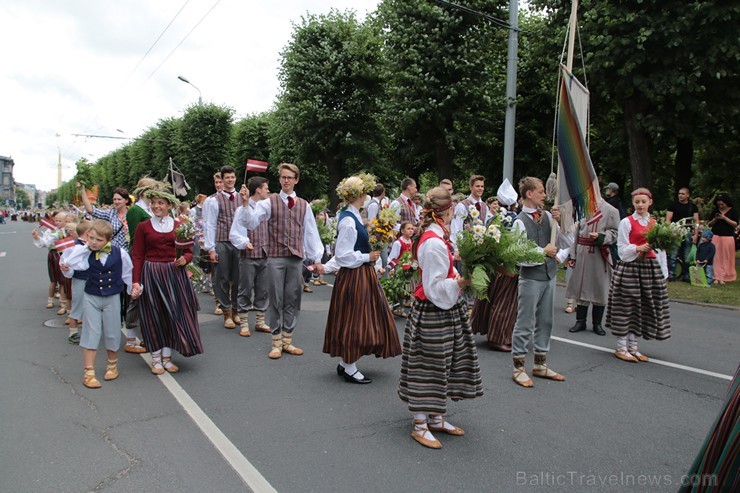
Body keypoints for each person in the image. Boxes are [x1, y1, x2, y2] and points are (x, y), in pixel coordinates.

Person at [398, 186, 483, 449]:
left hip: (444, 310)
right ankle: (420, 424)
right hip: (434, 310)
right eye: (452, 211)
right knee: (428, 366)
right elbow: (434, 288)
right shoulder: (433, 242)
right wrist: (461, 282)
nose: (454, 216)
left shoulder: (438, 237)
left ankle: (434, 417)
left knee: (444, 363)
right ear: (444, 212)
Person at [232, 163, 325, 359]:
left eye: (290, 177)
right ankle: (276, 342)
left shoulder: (303, 205)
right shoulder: (269, 202)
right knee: (275, 299)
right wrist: (246, 203)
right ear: (279, 179)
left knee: (293, 298)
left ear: (296, 180)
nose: (286, 180)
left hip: (296, 258)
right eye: (283, 177)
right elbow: (250, 222)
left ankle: (287, 340)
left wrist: (316, 257)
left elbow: (310, 232)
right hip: (275, 257)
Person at [323, 175, 401, 384]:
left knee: (360, 318)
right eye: (365, 192)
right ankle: (349, 366)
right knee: (355, 320)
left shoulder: (353, 215)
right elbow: (343, 255)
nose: (366, 195)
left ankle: (345, 363)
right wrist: (368, 257)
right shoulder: (348, 220)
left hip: (360, 274)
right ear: (359, 195)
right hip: (355, 276)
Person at [130, 184, 203, 374]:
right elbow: (137, 255)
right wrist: (136, 281)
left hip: (173, 274)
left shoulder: (179, 226)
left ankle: (167, 357)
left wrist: (184, 259)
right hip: (152, 272)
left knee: (173, 314)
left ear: (169, 205)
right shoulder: (143, 227)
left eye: (160, 203)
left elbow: (188, 251)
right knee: (153, 315)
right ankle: (155, 358)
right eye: (153, 203)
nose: (155, 206)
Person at [510, 177, 569, 388]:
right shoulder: (519, 221)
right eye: (541, 191)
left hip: (549, 275)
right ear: (529, 194)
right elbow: (517, 254)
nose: (545, 195)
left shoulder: (546, 216)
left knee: (546, 320)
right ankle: (518, 366)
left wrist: (561, 222)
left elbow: (566, 242)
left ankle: (540, 363)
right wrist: (542, 251)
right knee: (525, 321)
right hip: (530, 277)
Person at [60, 220, 133, 389]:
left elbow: (128, 273)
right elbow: (70, 267)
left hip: (112, 296)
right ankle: (89, 371)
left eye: (98, 240)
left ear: (108, 240)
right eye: (91, 238)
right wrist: (82, 251)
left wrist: (133, 289)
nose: (93, 242)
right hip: (91, 296)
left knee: (113, 331)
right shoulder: (84, 252)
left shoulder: (120, 253)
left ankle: (112, 365)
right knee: (91, 331)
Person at [606, 188, 671, 363]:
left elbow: (661, 251)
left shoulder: (655, 223)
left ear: (650, 202)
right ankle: (621, 347)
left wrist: (663, 273)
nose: (640, 205)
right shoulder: (626, 222)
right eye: (637, 202)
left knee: (641, 308)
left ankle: (633, 348)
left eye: (643, 201)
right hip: (630, 268)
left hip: (648, 269)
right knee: (626, 307)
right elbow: (621, 249)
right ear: (633, 203)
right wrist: (637, 248)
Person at [566, 198, 620, 336]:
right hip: (582, 252)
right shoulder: (583, 208)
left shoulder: (611, 211)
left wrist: (601, 236)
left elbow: (614, 233)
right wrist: (572, 256)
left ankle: (597, 323)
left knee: (599, 288)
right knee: (581, 286)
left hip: (599, 254)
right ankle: (580, 321)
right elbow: (576, 234)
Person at [229, 176, 272, 337]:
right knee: (245, 288)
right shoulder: (242, 209)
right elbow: (234, 232)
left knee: (263, 289)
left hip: (265, 253)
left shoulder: (267, 209)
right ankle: (244, 323)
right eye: (266, 188)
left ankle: (260, 321)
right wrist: (244, 242)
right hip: (248, 255)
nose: (268, 191)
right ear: (258, 190)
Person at [203, 166, 242, 329]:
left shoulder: (242, 198)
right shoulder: (213, 200)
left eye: (232, 177)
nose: (230, 180)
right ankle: (226, 312)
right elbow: (210, 224)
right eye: (227, 178)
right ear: (223, 179)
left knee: (239, 278)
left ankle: (236, 310)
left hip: (238, 243)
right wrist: (211, 248)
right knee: (222, 278)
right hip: (222, 241)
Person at [60, 220, 92, 345]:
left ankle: (88, 332)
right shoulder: (75, 246)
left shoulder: (90, 244)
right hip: (80, 279)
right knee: (78, 304)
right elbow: (68, 263)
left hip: (91, 278)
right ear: (88, 232)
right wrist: (67, 268)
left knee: (90, 306)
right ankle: (73, 332)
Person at [32, 211, 70, 313]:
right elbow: (45, 243)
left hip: (67, 255)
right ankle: (52, 300)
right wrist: (37, 237)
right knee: (54, 279)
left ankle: (64, 303)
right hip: (54, 255)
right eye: (56, 220)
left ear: (65, 221)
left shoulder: (68, 229)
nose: (57, 222)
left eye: (60, 221)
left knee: (64, 281)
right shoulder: (51, 230)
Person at [666, 187, 700, 282]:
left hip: (688, 233)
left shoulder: (693, 207)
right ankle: (671, 275)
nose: (680, 195)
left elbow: (696, 221)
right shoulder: (673, 205)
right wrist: (671, 231)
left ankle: (686, 275)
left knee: (687, 256)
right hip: (675, 232)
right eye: (679, 193)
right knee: (673, 255)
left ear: (688, 195)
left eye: (683, 194)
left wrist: (696, 235)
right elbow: (668, 219)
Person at [450, 175, 491, 247]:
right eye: (477, 186)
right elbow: (456, 228)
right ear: (471, 187)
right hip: (466, 247)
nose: (480, 188)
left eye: (482, 186)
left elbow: (487, 227)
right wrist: (458, 248)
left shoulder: (485, 207)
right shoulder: (462, 206)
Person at [706, 194, 738, 285]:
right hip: (716, 236)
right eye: (719, 204)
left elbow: (735, 224)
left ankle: (724, 276)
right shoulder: (715, 211)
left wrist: (724, 218)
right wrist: (715, 219)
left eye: (722, 204)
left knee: (725, 257)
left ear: (726, 203)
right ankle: (716, 276)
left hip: (727, 237)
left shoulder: (733, 211)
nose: (720, 206)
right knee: (715, 257)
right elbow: (709, 224)